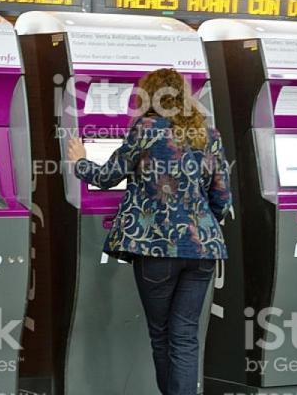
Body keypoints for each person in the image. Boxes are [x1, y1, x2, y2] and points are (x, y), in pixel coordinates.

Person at [67, 68, 232, 395]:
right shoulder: (208, 135)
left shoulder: (145, 130)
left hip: (156, 249)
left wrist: (80, 161)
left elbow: (106, 177)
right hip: (202, 251)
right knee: (185, 335)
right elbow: (223, 198)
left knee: (161, 333)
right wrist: (198, 225)